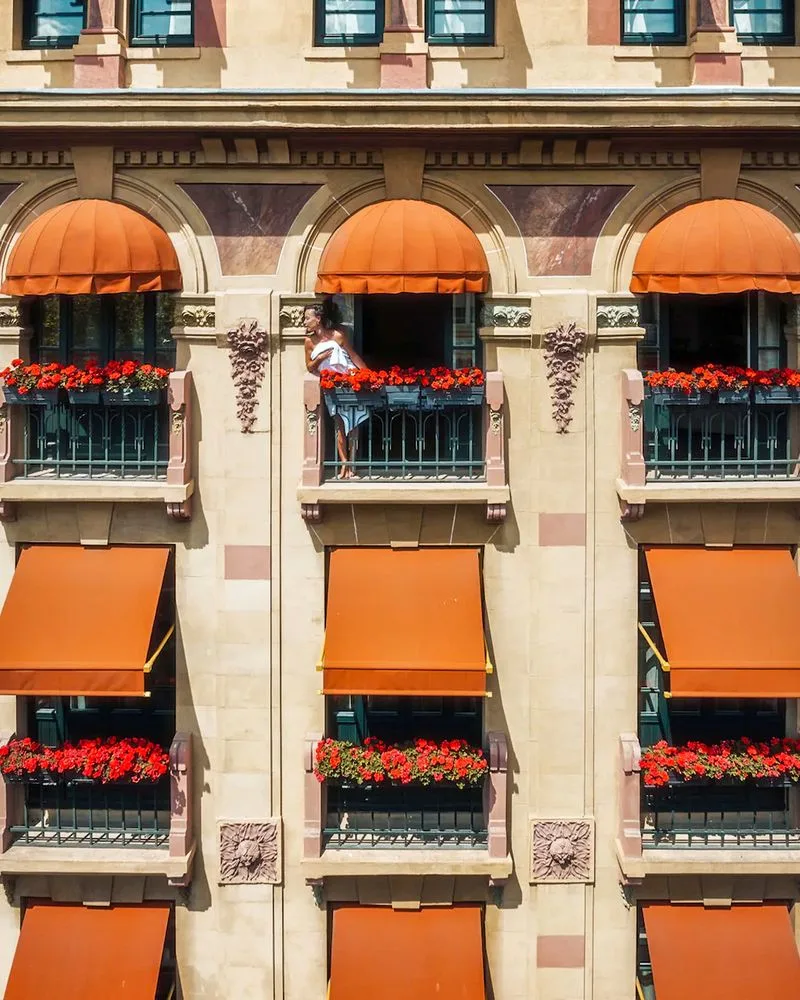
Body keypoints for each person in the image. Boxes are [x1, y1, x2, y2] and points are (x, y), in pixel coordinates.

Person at [304, 302, 367, 479]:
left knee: (354, 425)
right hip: (331, 387)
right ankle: (343, 464)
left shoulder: (338, 336)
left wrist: (369, 376)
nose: (304, 322)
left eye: (307, 318)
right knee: (339, 426)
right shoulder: (309, 341)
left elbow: (353, 356)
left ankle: (352, 463)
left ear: (318, 319)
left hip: (349, 383)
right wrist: (321, 358)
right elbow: (309, 366)